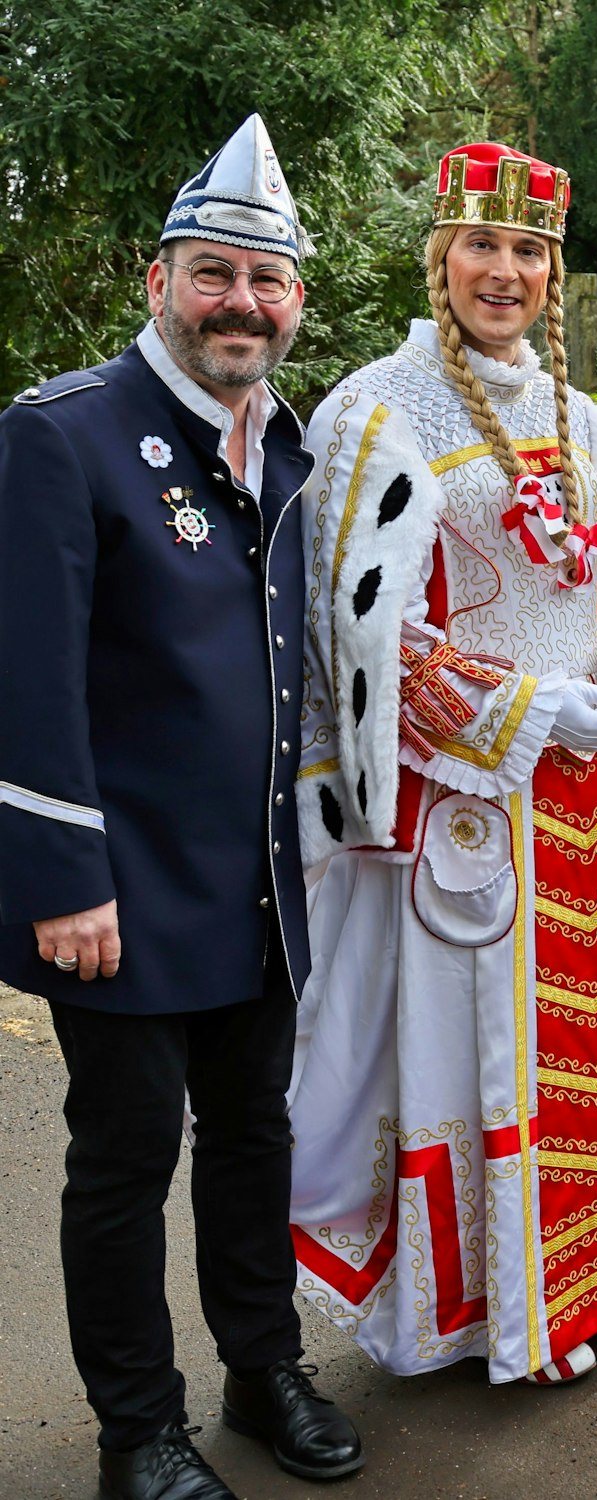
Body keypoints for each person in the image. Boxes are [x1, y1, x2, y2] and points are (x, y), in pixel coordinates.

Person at [285, 141, 597, 1386]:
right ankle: (499, 1314)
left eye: (528, 250)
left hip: (591, 799)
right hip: (464, 792)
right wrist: (528, 706)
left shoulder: (586, 419)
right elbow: (358, 634)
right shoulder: (374, 409)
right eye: (482, 244)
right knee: (485, 1054)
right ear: (441, 255)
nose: (505, 271)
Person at [0, 116, 362, 1500]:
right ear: (160, 282)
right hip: (124, 885)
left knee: (254, 1135)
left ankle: (261, 1370)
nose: (241, 304)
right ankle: (137, 1432)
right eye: (215, 274)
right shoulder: (65, 435)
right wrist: (61, 876)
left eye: (266, 281)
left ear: (296, 300)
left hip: (257, 878)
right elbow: (25, 678)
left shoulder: (288, 447)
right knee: (126, 1159)